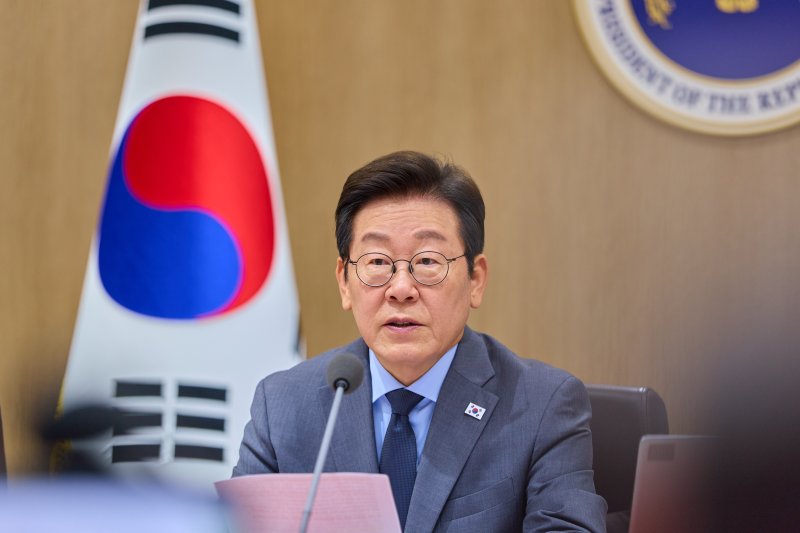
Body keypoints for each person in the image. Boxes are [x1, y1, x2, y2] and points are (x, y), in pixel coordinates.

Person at [233, 151, 607, 532]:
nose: (400, 289)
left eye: (427, 261)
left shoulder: (542, 406)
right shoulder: (282, 406)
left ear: (475, 280)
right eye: (377, 262)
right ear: (344, 282)